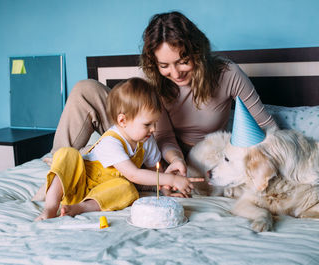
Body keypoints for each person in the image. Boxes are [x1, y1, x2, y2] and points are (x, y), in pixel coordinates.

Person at [50, 11, 278, 180]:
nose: (176, 73)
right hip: (151, 142)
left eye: (183, 62)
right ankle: (58, 170)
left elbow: (268, 127)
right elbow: (163, 137)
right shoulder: (151, 80)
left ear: (197, 52)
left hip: (196, 154)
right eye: (164, 65)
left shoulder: (227, 74)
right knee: (85, 89)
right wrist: (175, 158)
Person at [36, 78, 200, 221]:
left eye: (155, 123)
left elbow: (156, 172)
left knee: (128, 189)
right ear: (123, 121)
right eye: (147, 124)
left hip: (101, 192)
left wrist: (166, 190)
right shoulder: (111, 141)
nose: (153, 129)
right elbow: (133, 174)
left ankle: (80, 208)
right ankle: (50, 207)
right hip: (78, 182)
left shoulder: (146, 140)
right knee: (67, 154)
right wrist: (170, 180)